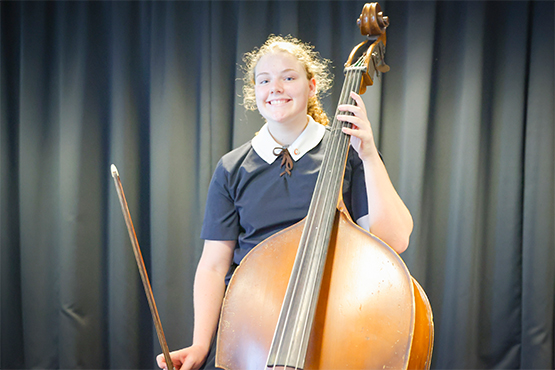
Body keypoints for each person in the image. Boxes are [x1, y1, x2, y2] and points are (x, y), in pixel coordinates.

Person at [157, 34, 413, 370]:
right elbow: (214, 266)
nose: (275, 88)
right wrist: (202, 345)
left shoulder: (348, 153)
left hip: (334, 318)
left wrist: (368, 157)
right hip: (252, 327)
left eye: (289, 77)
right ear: (255, 93)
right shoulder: (232, 168)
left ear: (311, 86)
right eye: (264, 80)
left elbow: (394, 241)